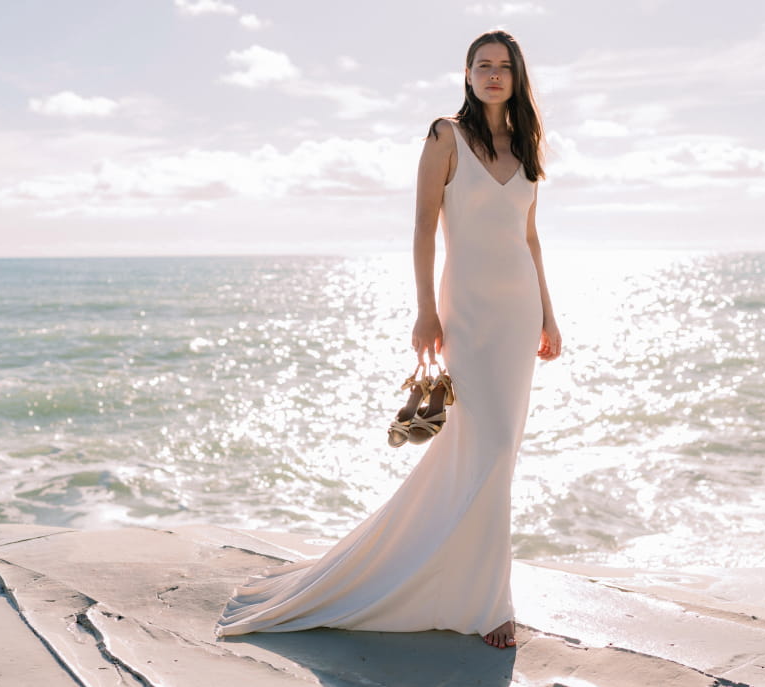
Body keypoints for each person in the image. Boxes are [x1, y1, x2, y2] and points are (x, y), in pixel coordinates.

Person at [214, 30, 561, 651]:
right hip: (468, 313)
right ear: (467, 74)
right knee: (485, 445)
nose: (493, 75)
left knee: (496, 452)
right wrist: (426, 312)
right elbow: (424, 227)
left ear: (517, 77)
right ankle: (487, 603)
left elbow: (529, 238)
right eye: (482, 65)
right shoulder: (445, 136)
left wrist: (549, 317)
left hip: (518, 314)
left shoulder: (527, 147)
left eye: (504, 67)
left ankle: (473, 587)